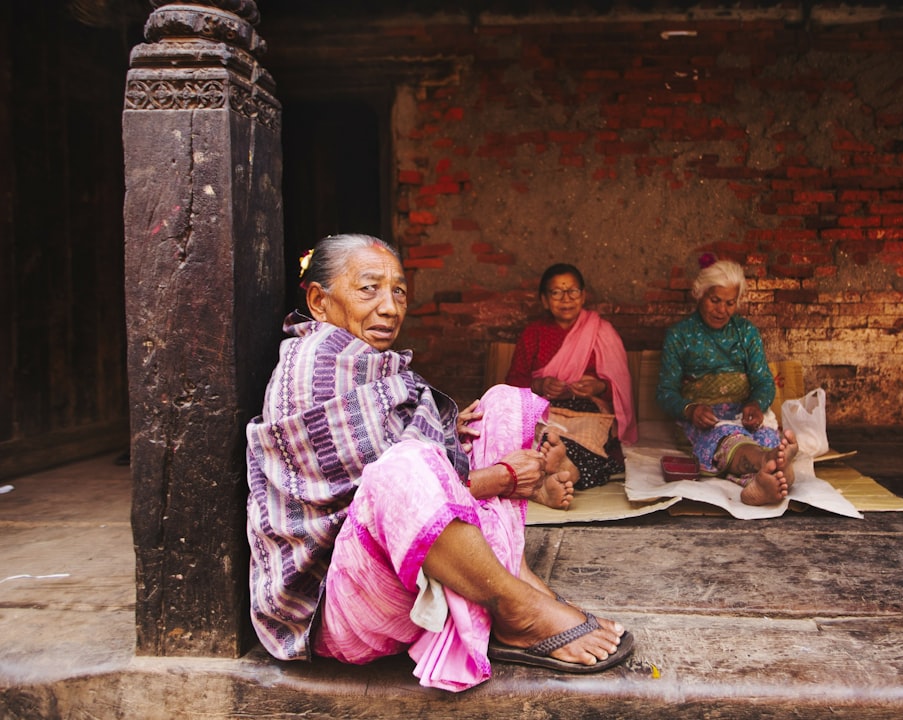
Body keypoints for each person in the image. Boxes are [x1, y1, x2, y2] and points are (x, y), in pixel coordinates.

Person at [246, 235, 633, 692]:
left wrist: (451, 430)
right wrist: (504, 477)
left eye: (399, 292)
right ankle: (516, 611)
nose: (390, 308)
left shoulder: (371, 364)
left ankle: (514, 581)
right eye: (369, 289)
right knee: (404, 467)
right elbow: (378, 495)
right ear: (319, 300)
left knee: (500, 407)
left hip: (396, 570)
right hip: (341, 605)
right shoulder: (316, 365)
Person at [656, 255, 799, 506]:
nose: (722, 310)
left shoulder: (746, 333)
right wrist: (690, 409)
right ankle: (774, 464)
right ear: (700, 294)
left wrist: (755, 404)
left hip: (744, 415)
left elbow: (764, 381)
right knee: (728, 439)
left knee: (765, 436)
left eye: (730, 303)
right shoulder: (680, 335)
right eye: (715, 301)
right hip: (705, 419)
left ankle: (764, 479)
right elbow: (665, 392)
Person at [505, 263, 637, 490]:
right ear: (545, 300)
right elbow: (512, 385)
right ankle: (565, 472)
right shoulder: (533, 334)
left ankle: (560, 471)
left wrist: (598, 387)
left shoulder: (602, 331)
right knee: (538, 441)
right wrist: (539, 384)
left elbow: (621, 388)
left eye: (572, 291)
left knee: (592, 446)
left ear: (583, 295)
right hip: (544, 410)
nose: (566, 299)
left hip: (590, 411)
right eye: (556, 293)